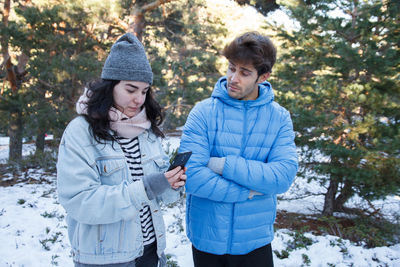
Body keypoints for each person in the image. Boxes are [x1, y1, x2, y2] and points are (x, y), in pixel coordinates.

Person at [57, 33, 186, 267]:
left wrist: (170, 183)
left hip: (151, 253)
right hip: (106, 258)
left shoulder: (146, 130)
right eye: (131, 89)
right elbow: (79, 201)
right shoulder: (80, 131)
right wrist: (145, 188)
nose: (139, 99)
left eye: (145, 91)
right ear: (110, 85)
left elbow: (159, 198)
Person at [179, 31, 298, 267]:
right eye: (231, 68)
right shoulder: (203, 112)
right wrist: (247, 192)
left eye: (244, 73)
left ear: (263, 76)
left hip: (255, 241)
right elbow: (190, 175)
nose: (234, 78)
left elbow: (282, 176)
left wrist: (222, 165)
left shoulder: (279, 118)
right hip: (207, 241)